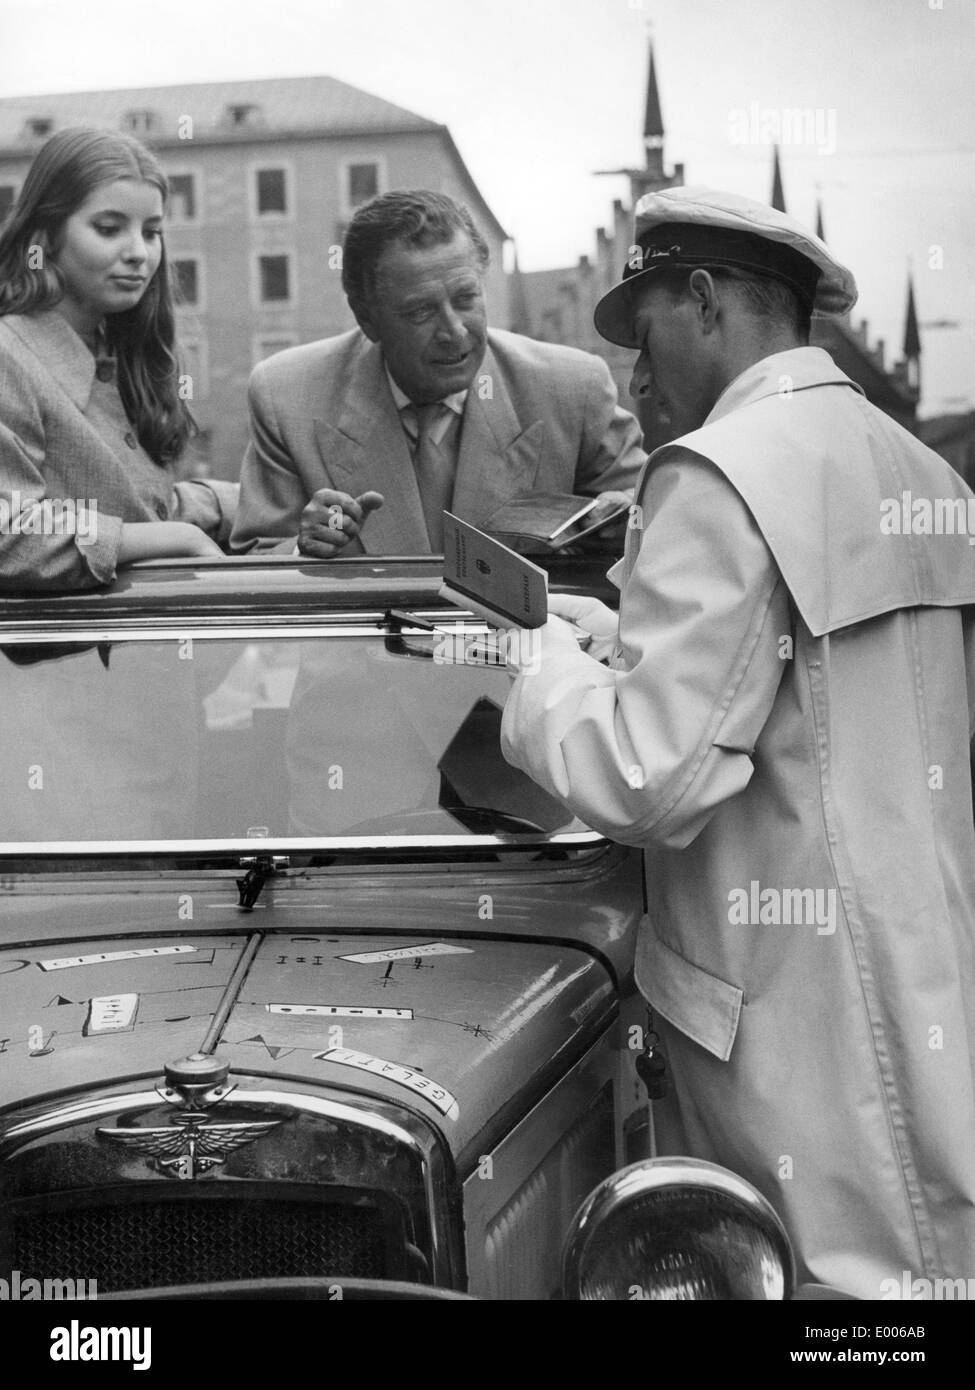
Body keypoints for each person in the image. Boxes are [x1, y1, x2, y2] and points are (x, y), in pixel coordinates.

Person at [500, 185, 975, 1298]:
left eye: (646, 329)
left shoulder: (716, 473)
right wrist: (621, 638)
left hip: (786, 1018)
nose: (633, 375)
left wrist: (530, 657)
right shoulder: (920, 472)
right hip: (925, 979)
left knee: (806, 1288)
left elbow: (645, 777)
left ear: (705, 300)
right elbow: (823, 697)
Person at [230, 189, 645, 557]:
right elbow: (256, 564)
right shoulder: (286, 397)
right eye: (421, 311)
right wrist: (303, 548)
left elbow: (651, 521)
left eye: (466, 298)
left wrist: (617, 519)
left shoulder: (574, 390)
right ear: (367, 319)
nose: (454, 331)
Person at [0, 126, 237, 591]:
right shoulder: (10, 356)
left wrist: (246, 505)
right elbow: (10, 534)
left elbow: (129, 506)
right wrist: (178, 537)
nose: (137, 253)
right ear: (45, 236)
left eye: (152, 232)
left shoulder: (121, 354)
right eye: (109, 229)